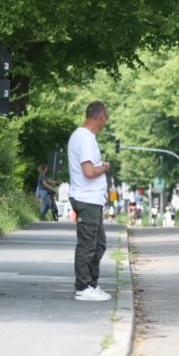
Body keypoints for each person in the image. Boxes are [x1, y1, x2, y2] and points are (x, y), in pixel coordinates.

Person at [68, 101, 112, 302]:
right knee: (88, 244)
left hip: (92, 199)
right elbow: (88, 171)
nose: (107, 121)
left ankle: (92, 283)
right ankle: (83, 286)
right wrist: (104, 167)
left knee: (99, 243)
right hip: (87, 198)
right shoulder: (84, 138)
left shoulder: (86, 137)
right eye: (106, 116)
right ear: (99, 116)